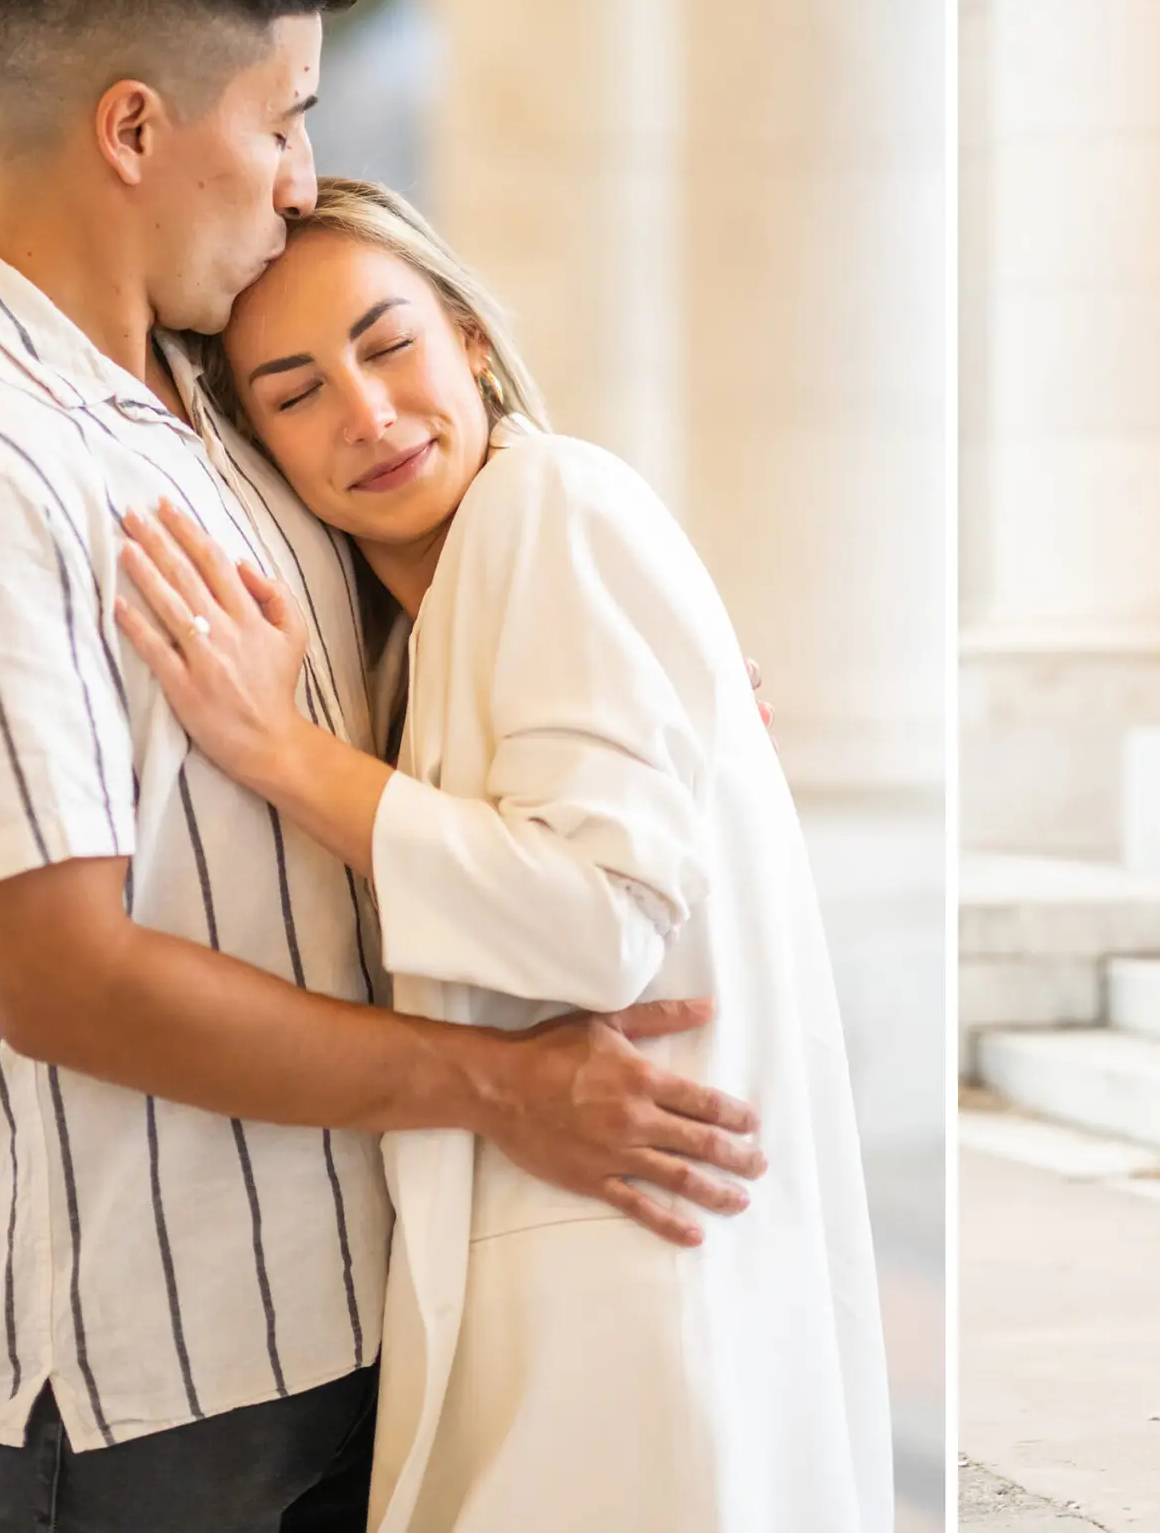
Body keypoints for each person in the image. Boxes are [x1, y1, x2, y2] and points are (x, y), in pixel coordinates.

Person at [0, 0, 757, 1527]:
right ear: (131, 128)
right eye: (284, 121)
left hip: (357, 1308)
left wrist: (639, 649)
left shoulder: (198, 387)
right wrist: (507, 1087)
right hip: (148, 1386)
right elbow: (71, 984)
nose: (306, 179)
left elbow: (413, 635)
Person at [110, 178, 893, 1531]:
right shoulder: (431, 618)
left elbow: (598, 918)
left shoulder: (553, 509)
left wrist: (282, 754)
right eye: (294, 393)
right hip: (574, 1282)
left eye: (388, 341)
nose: (365, 412)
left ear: (469, 334)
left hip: (627, 1293)